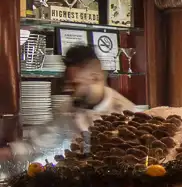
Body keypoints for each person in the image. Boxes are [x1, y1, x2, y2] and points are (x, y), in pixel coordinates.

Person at [4, 45, 136, 167]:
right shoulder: (67, 108)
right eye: (66, 83)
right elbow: (37, 145)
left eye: (74, 84)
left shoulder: (126, 113)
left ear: (95, 78)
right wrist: (8, 153)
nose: (67, 89)